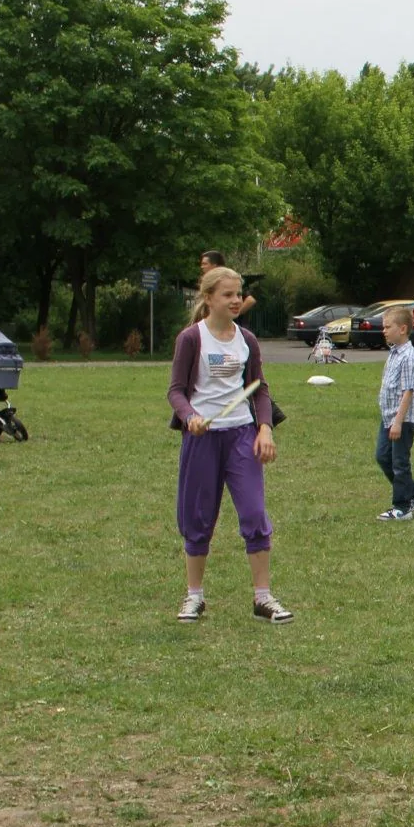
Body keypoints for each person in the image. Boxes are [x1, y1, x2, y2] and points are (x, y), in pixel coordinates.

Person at [168, 266, 290, 624]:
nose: (237, 300)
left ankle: (262, 598)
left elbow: (259, 388)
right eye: (228, 294)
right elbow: (175, 391)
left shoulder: (247, 340)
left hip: (241, 435)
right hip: (202, 438)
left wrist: (264, 429)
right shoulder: (191, 339)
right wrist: (189, 416)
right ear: (208, 299)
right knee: (198, 517)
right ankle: (194, 597)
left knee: (254, 514)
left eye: (239, 293)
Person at [375, 305, 414, 520]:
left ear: (403, 328)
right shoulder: (394, 353)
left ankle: (402, 507)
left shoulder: (410, 357)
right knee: (382, 456)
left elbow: (408, 391)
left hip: (402, 418)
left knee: (399, 462)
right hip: (389, 416)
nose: (384, 331)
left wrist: (398, 422)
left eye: (388, 327)